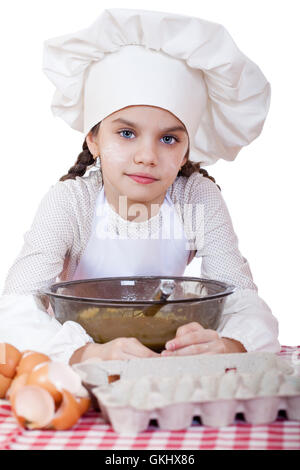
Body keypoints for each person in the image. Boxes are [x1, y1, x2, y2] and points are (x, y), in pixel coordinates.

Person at [0, 8, 280, 364]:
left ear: (185, 151)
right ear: (94, 139)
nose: (147, 155)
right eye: (127, 133)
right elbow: (14, 306)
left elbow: (241, 297)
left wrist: (230, 344)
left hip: (165, 358)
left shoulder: (195, 196)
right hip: (89, 363)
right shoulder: (71, 202)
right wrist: (85, 352)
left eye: (168, 139)